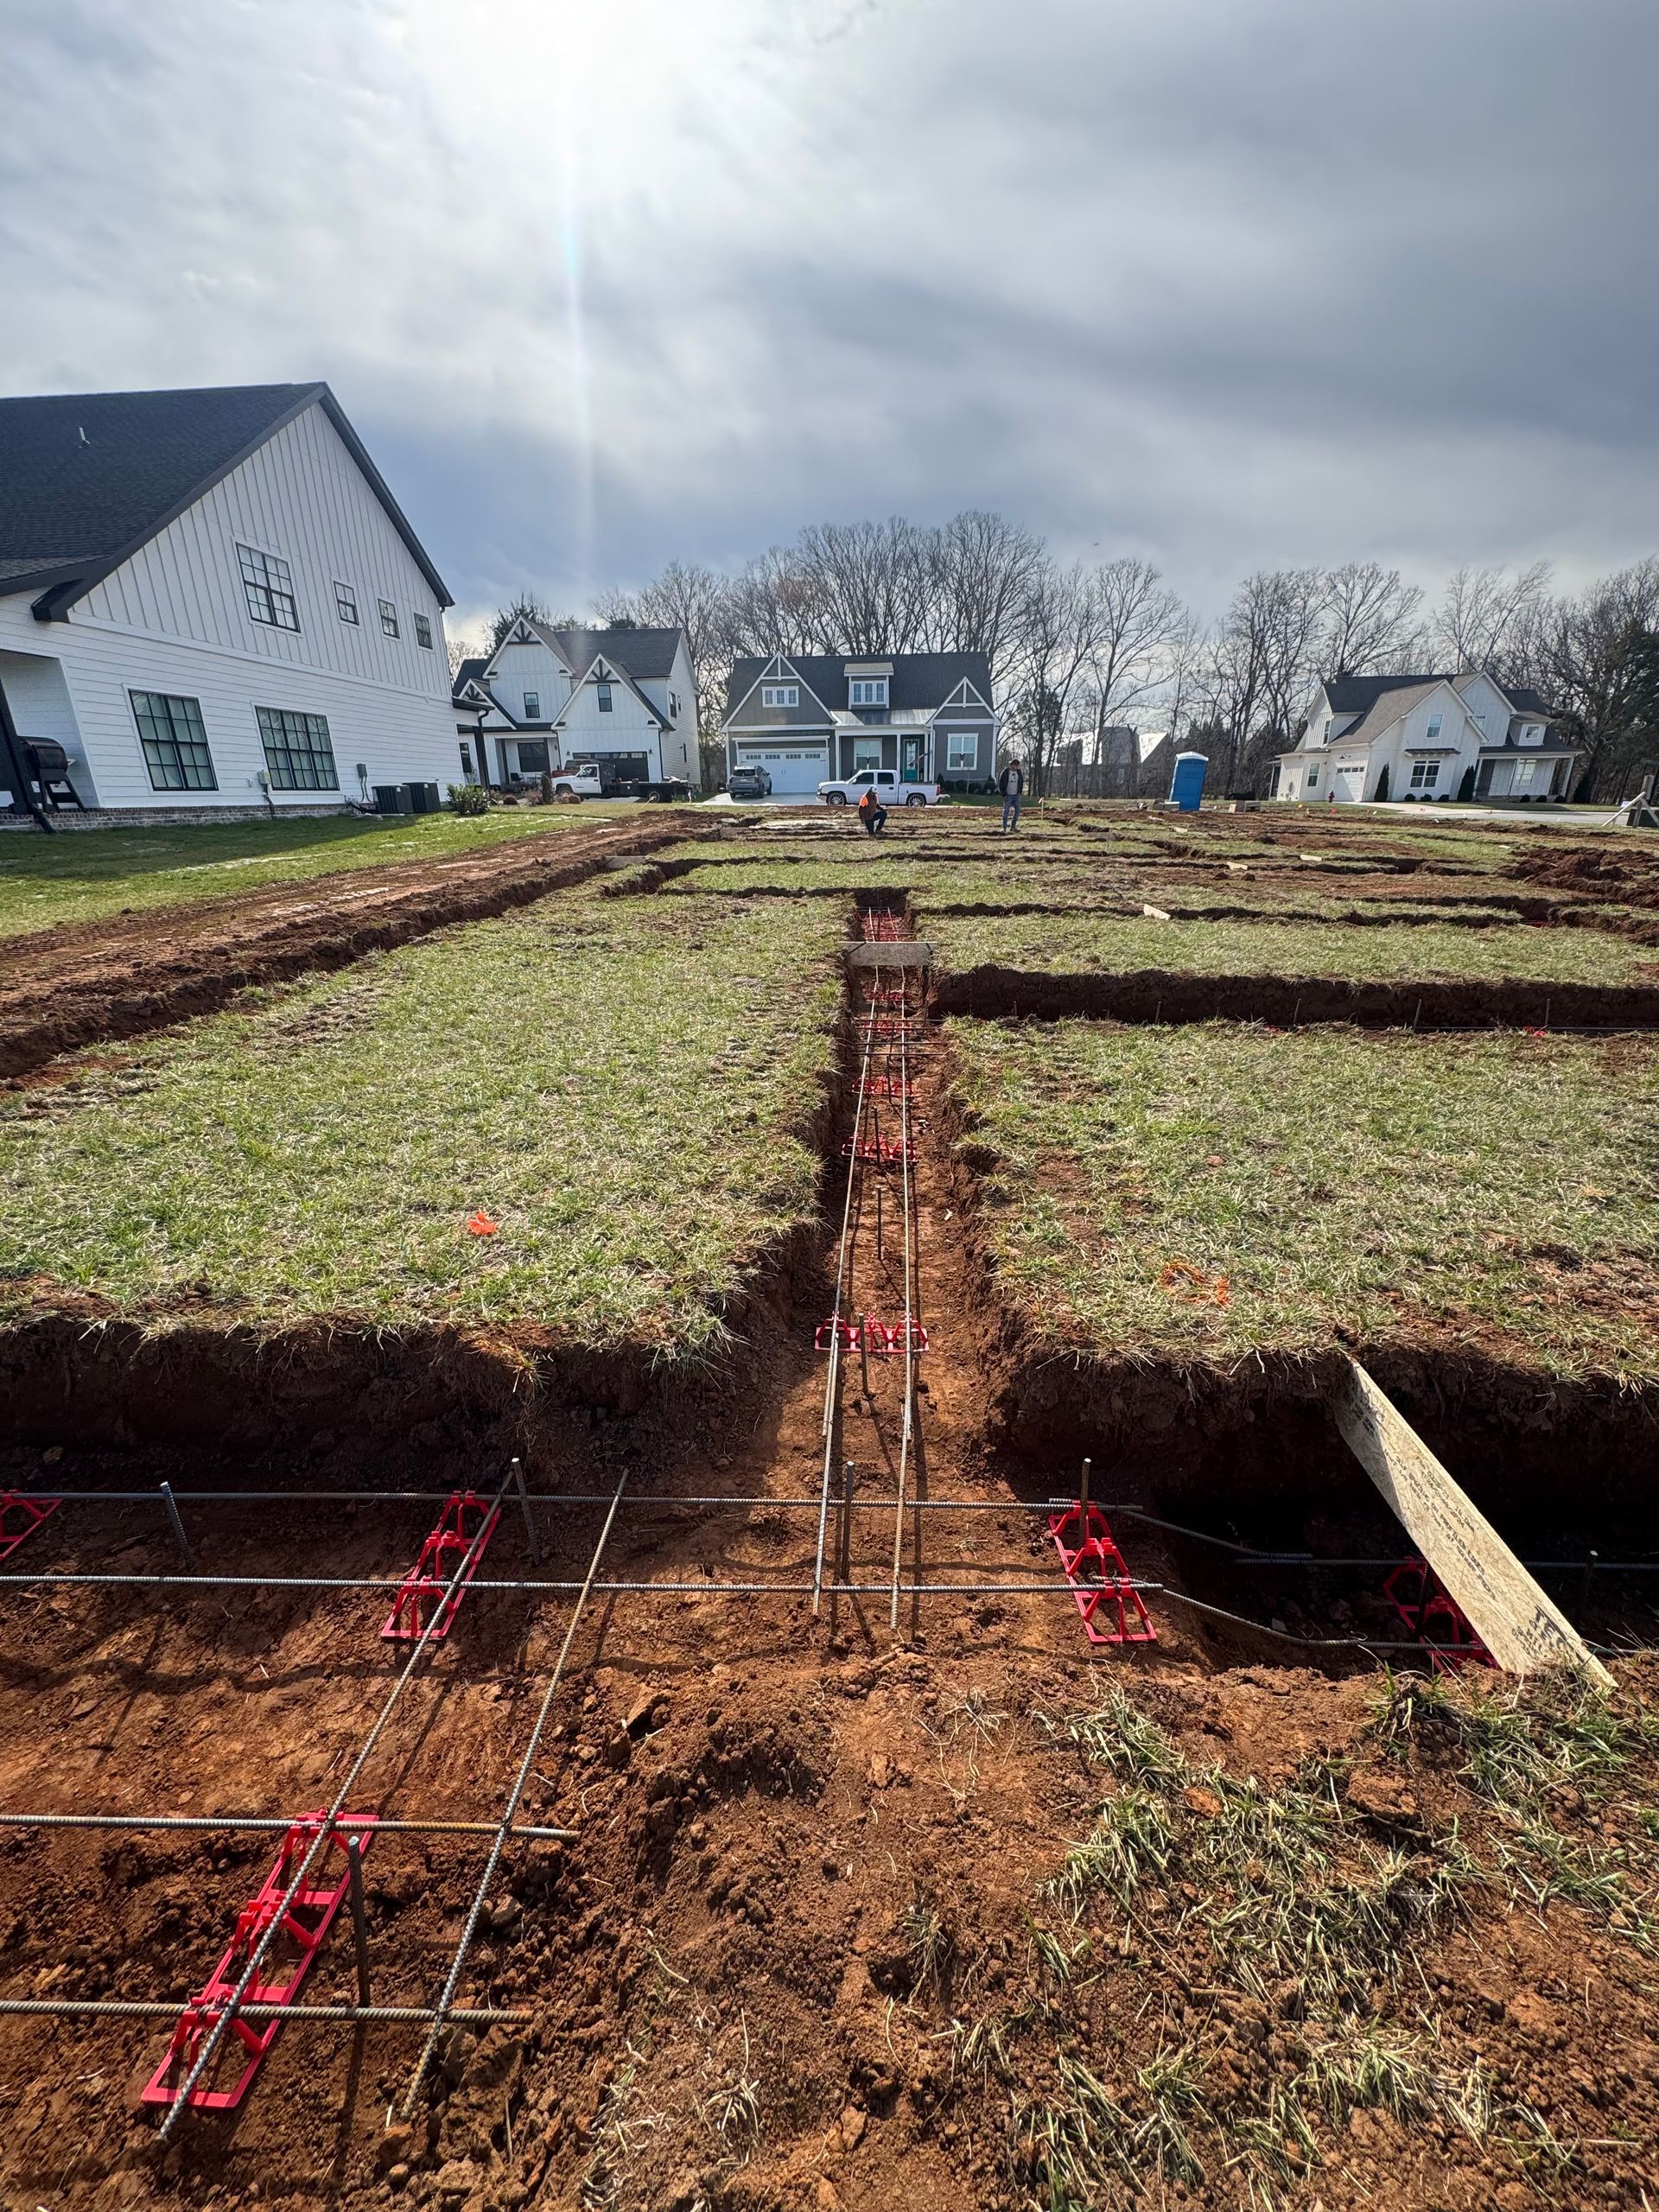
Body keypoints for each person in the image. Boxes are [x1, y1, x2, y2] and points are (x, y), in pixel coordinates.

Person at [998, 759, 1025, 832]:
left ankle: (1013, 827)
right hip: (1008, 795)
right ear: (1011, 765)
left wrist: (1019, 792)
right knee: (1006, 811)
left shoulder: (1019, 773)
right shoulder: (1006, 773)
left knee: (1018, 810)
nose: (1015, 767)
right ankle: (1004, 828)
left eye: (1017, 765)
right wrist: (1004, 795)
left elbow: (1021, 782)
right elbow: (1001, 784)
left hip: (1016, 795)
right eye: (1014, 765)